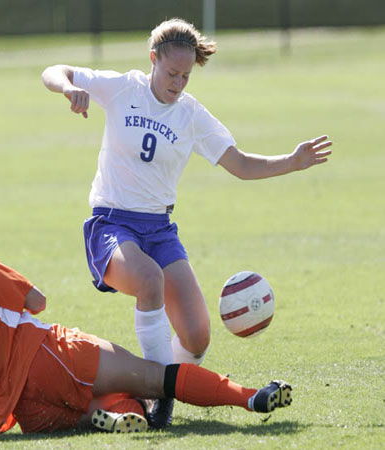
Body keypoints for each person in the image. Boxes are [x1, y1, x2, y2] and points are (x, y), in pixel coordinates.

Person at [41, 18, 331, 427]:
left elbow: (242, 164)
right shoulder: (125, 88)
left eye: (186, 75)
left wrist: (293, 162)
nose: (178, 83)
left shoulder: (191, 115)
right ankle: (162, 398)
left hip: (160, 230)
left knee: (197, 336)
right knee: (149, 282)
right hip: (112, 223)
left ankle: (146, 387)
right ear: (152, 59)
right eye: (172, 72)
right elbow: (54, 71)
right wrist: (70, 88)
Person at [0, 199, 293, 434]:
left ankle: (106, 415)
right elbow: (37, 302)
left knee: (123, 406)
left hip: (25, 410)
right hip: (50, 357)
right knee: (156, 380)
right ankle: (251, 398)